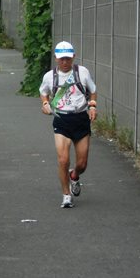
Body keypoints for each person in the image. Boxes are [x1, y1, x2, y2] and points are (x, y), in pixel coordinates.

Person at [39, 41, 98, 208]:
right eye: (61, 59)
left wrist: (92, 106)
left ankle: (74, 176)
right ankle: (66, 195)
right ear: (56, 59)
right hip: (62, 120)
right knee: (63, 160)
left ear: (73, 57)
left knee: (82, 164)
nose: (64, 62)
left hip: (80, 119)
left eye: (67, 58)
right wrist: (45, 104)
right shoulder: (50, 77)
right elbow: (43, 93)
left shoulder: (82, 73)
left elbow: (93, 90)